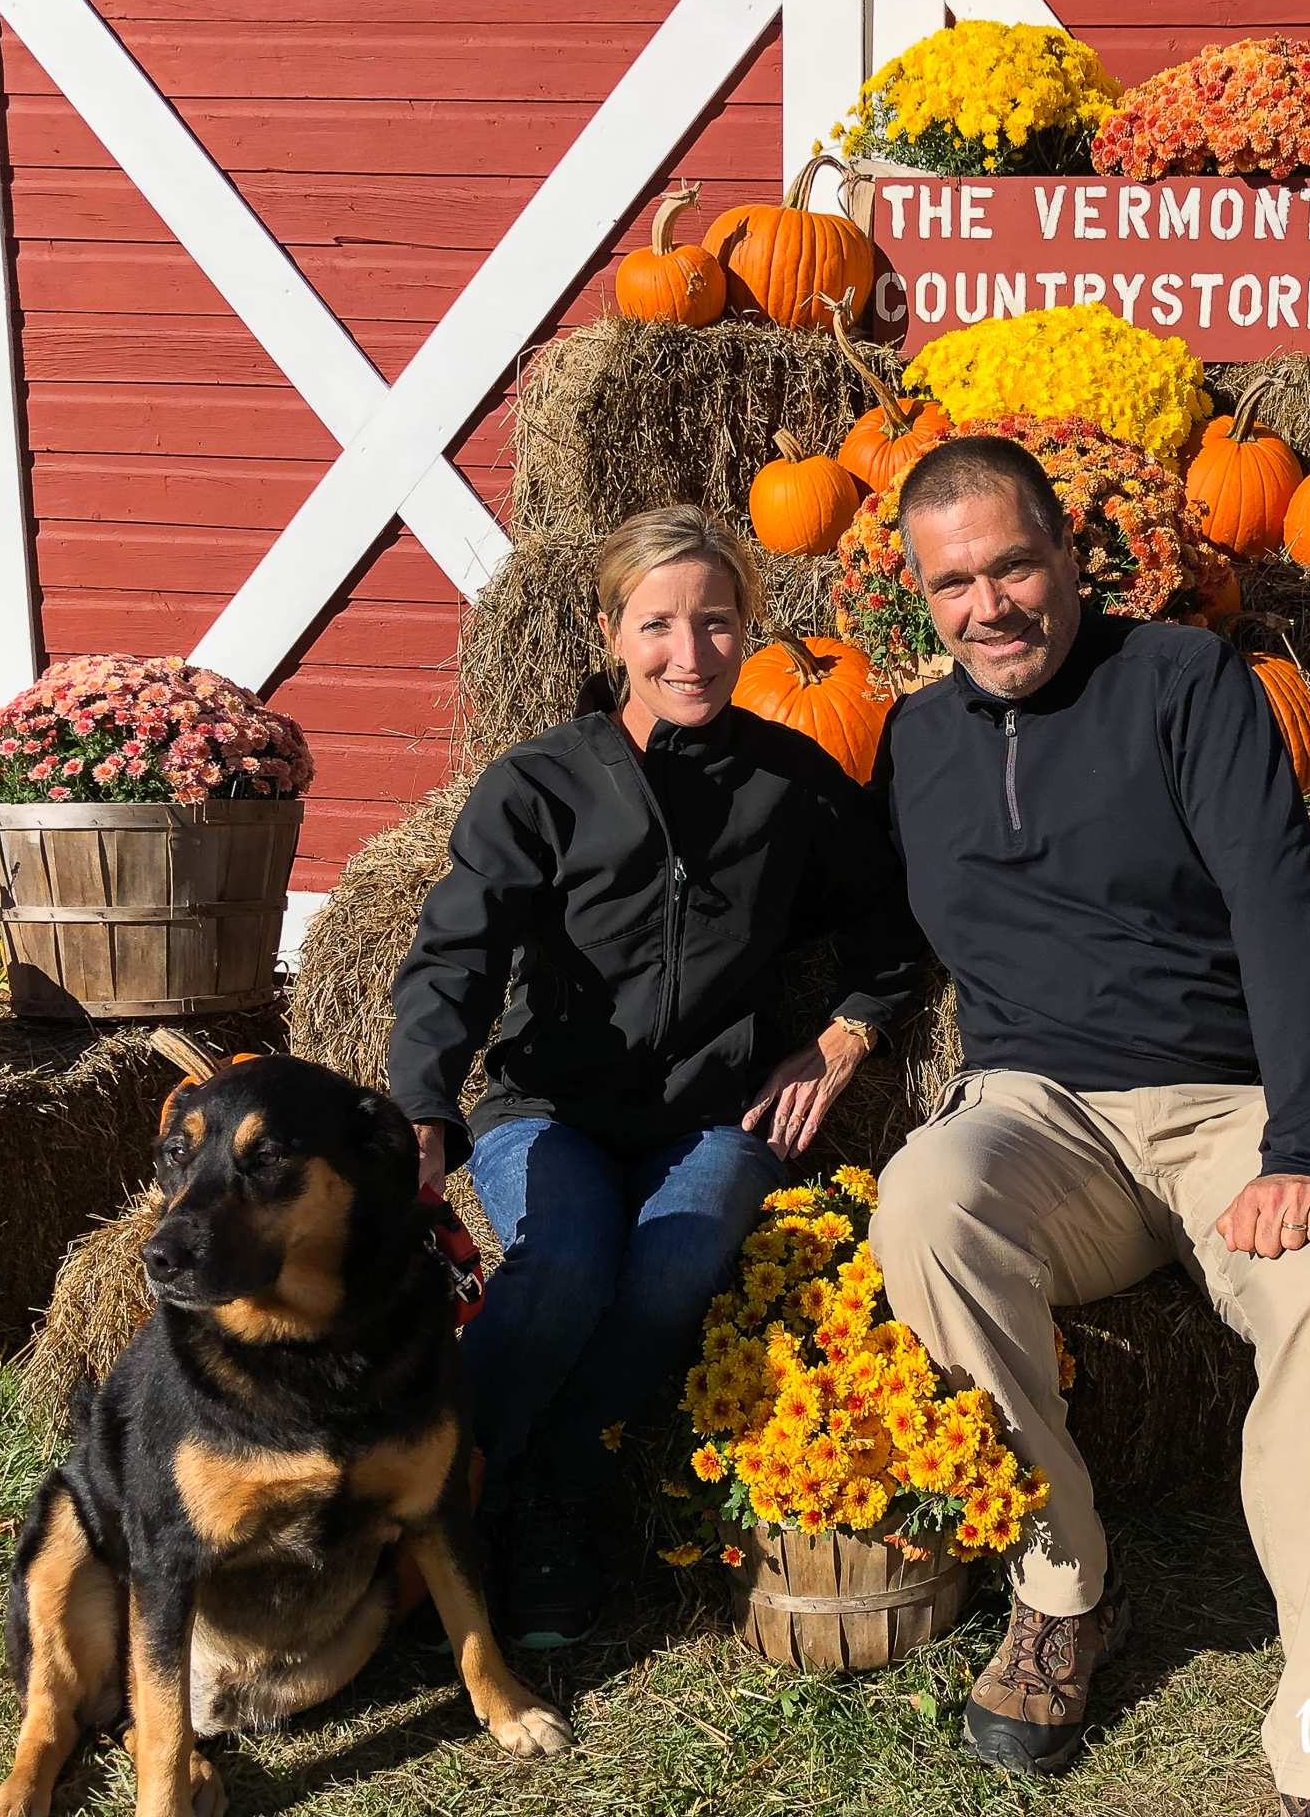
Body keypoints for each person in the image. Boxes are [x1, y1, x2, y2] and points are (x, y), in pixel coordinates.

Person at [867, 437, 1310, 1816]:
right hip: (1038, 1114)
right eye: (954, 583)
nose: (988, 604)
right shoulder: (913, 740)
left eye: (1011, 565)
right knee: (923, 1197)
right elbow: (862, 929)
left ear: (1069, 557)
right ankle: (1065, 1591)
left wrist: (1308, 1145)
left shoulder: (1185, 684)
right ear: (919, 599)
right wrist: (834, 1025)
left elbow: (1285, 912)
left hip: (1227, 1104)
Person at [389, 504, 922, 1649]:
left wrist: (848, 1032)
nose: (691, 654)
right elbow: (455, 956)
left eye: (719, 623)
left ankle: (551, 1496)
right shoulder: (538, 785)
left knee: (674, 1261)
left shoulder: (794, 782)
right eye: (659, 625)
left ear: (751, 629)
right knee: (564, 1264)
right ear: (608, 632)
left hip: (713, 1111)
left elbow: (895, 924)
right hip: (552, 1108)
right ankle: (432, 1502)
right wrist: (424, 1109)